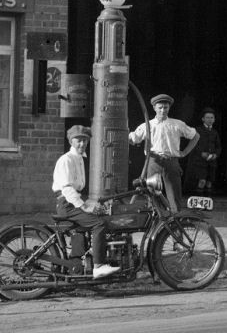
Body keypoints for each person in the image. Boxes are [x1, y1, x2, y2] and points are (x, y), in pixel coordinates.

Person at [52, 125, 119, 279]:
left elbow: (78, 191)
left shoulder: (80, 159)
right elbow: (67, 189)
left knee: (100, 217)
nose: (82, 144)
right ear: (71, 141)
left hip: (72, 201)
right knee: (99, 224)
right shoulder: (66, 160)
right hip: (66, 204)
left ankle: (80, 259)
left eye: (85, 140)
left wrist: (92, 204)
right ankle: (98, 266)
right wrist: (84, 207)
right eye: (78, 140)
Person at [129, 93, 199, 211]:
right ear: (154, 108)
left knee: (174, 194)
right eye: (160, 107)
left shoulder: (177, 124)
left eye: (165, 107)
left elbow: (196, 136)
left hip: (171, 162)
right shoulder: (147, 125)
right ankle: (157, 220)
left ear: (169, 108)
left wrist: (185, 152)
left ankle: (176, 220)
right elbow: (133, 138)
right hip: (153, 162)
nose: (162, 110)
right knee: (153, 194)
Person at [183, 107, 221, 195]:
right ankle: (199, 202)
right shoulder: (197, 130)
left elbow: (218, 146)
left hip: (211, 162)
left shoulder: (215, 132)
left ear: (214, 119)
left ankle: (207, 201)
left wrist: (216, 155)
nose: (210, 120)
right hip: (200, 161)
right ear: (203, 119)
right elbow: (193, 145)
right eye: (207, 117)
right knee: (202, 181)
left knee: (209, 182)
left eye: (212, 118)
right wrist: (201, 153)